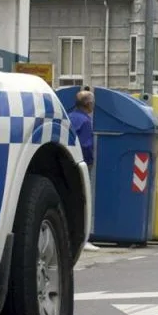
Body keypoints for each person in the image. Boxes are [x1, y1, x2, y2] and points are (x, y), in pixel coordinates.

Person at [68, 90, 100, 252]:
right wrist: (90, 163)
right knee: (83, 200)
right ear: (88, 104)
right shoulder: (86, 121)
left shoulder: (69, 117)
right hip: (82, 163)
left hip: (67, 162)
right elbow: (86, 145)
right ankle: (83, 239)